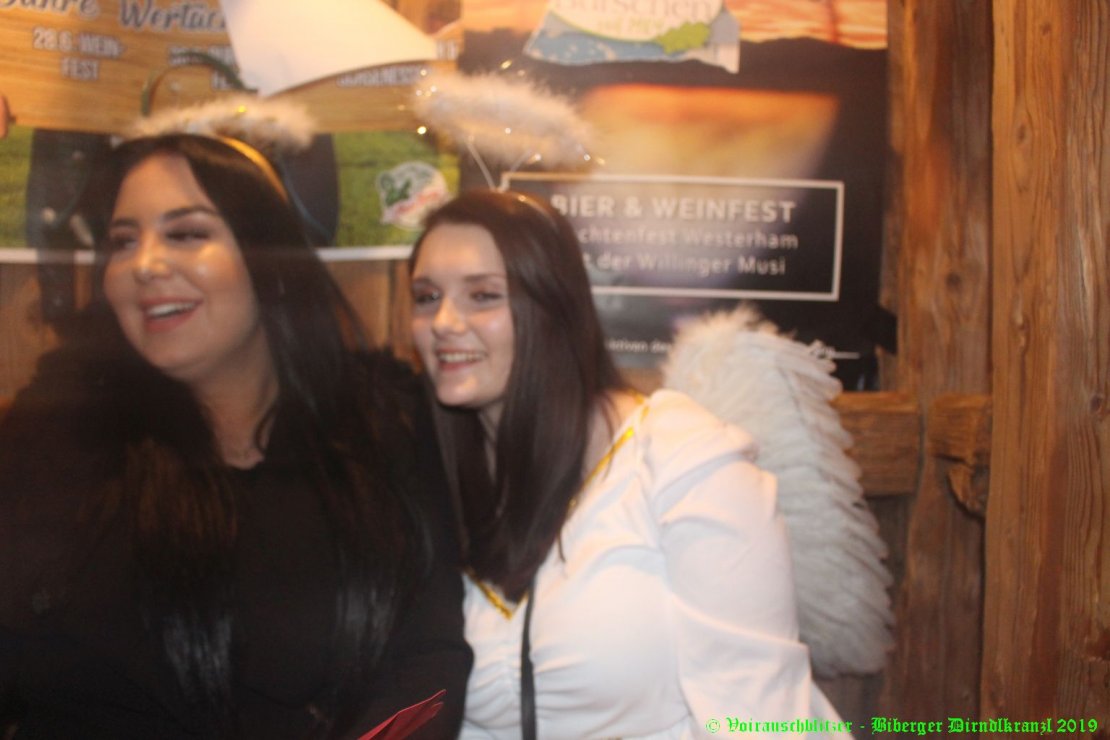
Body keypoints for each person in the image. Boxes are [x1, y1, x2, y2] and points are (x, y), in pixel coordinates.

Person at [0, 132, 471, 739]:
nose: (145, 265)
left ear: (268, 258)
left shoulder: (380, 431)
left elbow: (425, 663)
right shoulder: (52, 440)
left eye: (186, 233)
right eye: (123, 241)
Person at [407, 189, 850, 739]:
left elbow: (762, 716)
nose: (444, 321)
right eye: (426, 297)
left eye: (483, 295)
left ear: (555, 308)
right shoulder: (432, 481)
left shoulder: (677, 457)